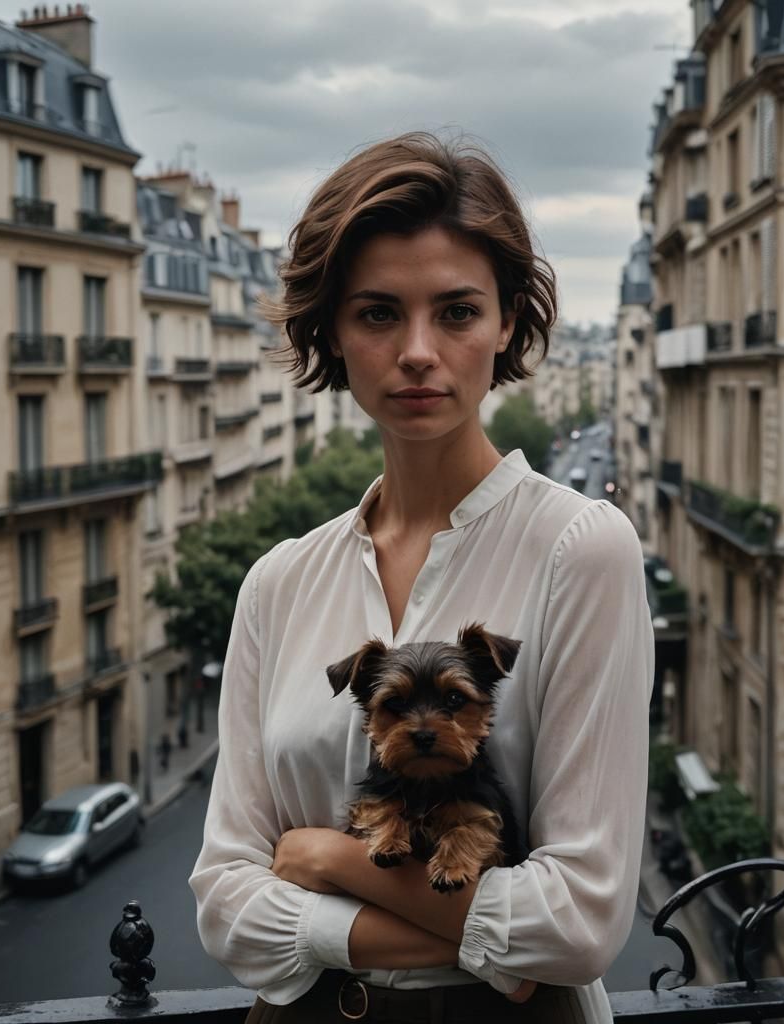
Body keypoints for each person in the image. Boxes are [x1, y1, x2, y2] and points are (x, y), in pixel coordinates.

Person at [188, 132, 654, 1024]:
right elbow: (224, 902)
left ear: (508, 321)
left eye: (456, 311)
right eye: (376, 314)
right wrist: (476, 938)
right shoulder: (277, 583)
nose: (416, 351)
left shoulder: (582, 548)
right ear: (331, 328)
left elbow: (581, 921)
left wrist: (327, 865)